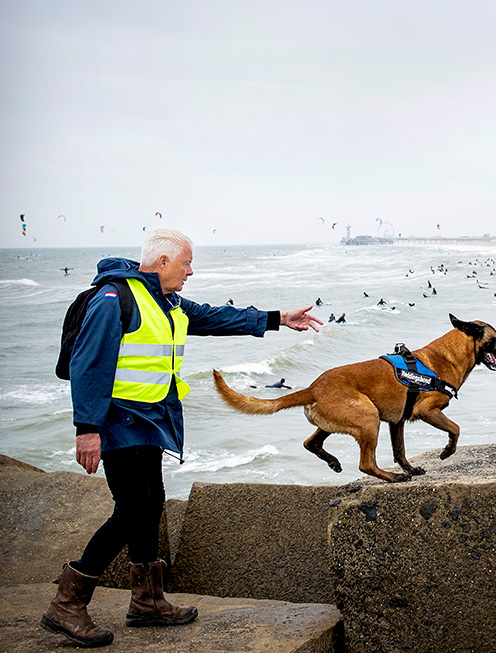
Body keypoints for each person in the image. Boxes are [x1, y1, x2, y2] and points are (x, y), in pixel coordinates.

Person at [43, 227, 321, 648]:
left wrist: (277, 319)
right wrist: (87, 430)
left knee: (150, 504)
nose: (191, 270)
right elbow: (89, 364)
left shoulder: (165, 300)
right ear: (163, 263)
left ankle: (147, 600)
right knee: (133, 508)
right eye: (187, 262)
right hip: (118, 420)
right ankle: (67, 603)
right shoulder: (114, 299)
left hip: (151, 418)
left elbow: (213, 316)